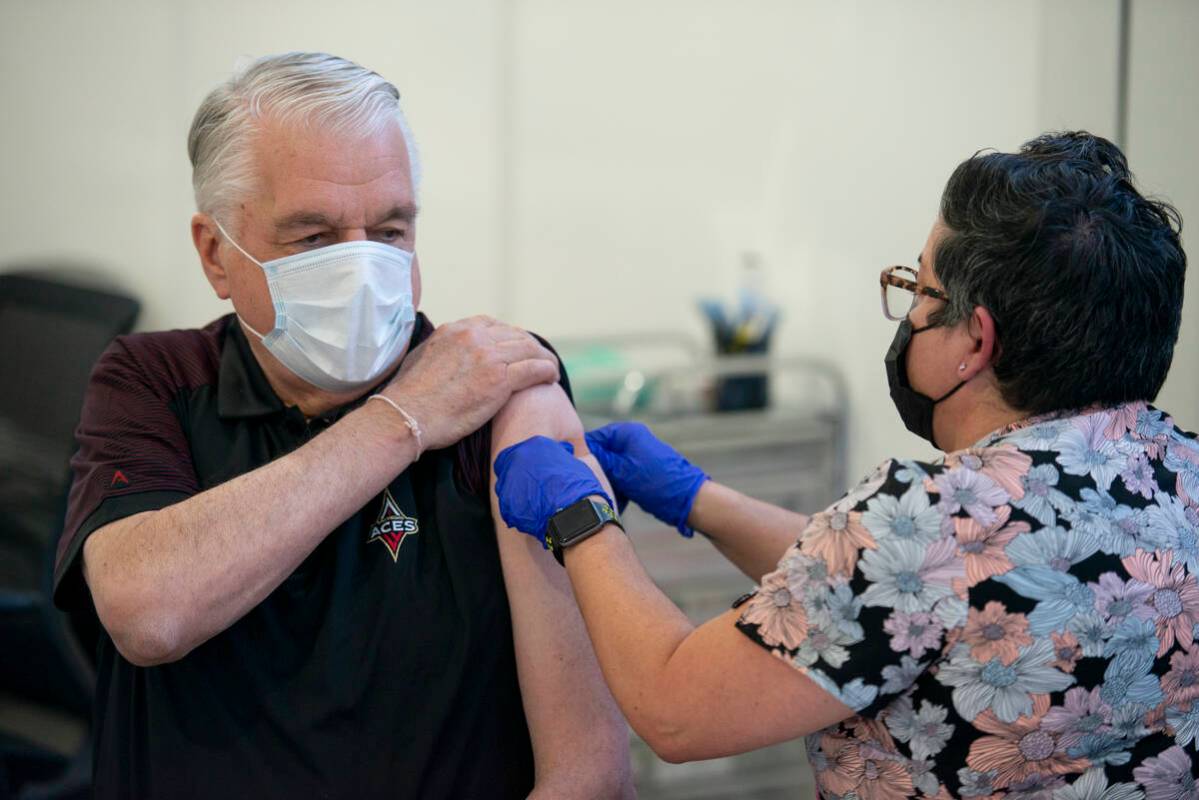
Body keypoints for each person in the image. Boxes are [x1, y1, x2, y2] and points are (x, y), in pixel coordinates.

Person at [495, 132, 1199, 798]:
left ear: (974, 340)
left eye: (921, 291)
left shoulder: (933, 521)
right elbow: (890, 601)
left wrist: (581, 515)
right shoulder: (1181, 479)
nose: (909, 315)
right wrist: (695, 498)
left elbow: (675, 707)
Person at [53, 52, 632, 799]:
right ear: (215, 256)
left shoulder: (502, 391)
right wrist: (405, 416)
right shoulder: (154, 382)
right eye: (314, 239)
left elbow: (588, 770)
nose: (362, 271)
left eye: (389, 231)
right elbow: (148, 611)